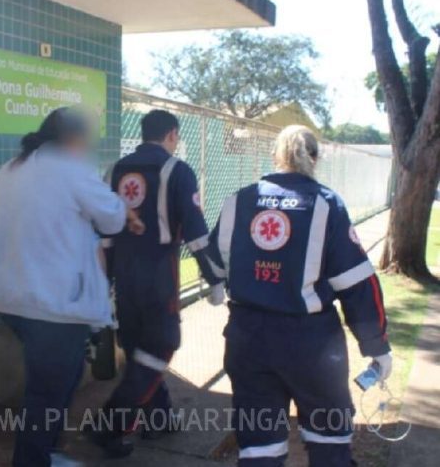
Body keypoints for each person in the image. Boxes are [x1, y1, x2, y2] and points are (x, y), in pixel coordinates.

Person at [206, 125, 392, 466]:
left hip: (247, 340)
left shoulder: (239, 201)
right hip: (312, 345)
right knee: (329, 439)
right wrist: (376, 345)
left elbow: (214, 263)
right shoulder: (326, 204)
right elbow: (356, 284)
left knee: (259, 446)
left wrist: (222, 284)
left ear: (275, 156)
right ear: (314, 160)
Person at [0, 107, 142, 467]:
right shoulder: (70, 170)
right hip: (52, 303)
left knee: (60, 379)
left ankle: (46, 453)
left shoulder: (12, 168)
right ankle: (33, 460)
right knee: (48, 391)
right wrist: (124, 211)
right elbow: (112, 217)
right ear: (74, 138)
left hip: (10, 297)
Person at [95, 109, 225, 456]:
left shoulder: (116, 170)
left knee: (139, 345)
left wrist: (103, 281)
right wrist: (214, 278)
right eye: (177, 137)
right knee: (163, 343)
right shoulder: (177, 170)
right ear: (171, 134)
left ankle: (160, 417)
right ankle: (111, 424)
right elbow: (196, 234)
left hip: (123, 273)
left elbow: (106, 233)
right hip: (158, 272)